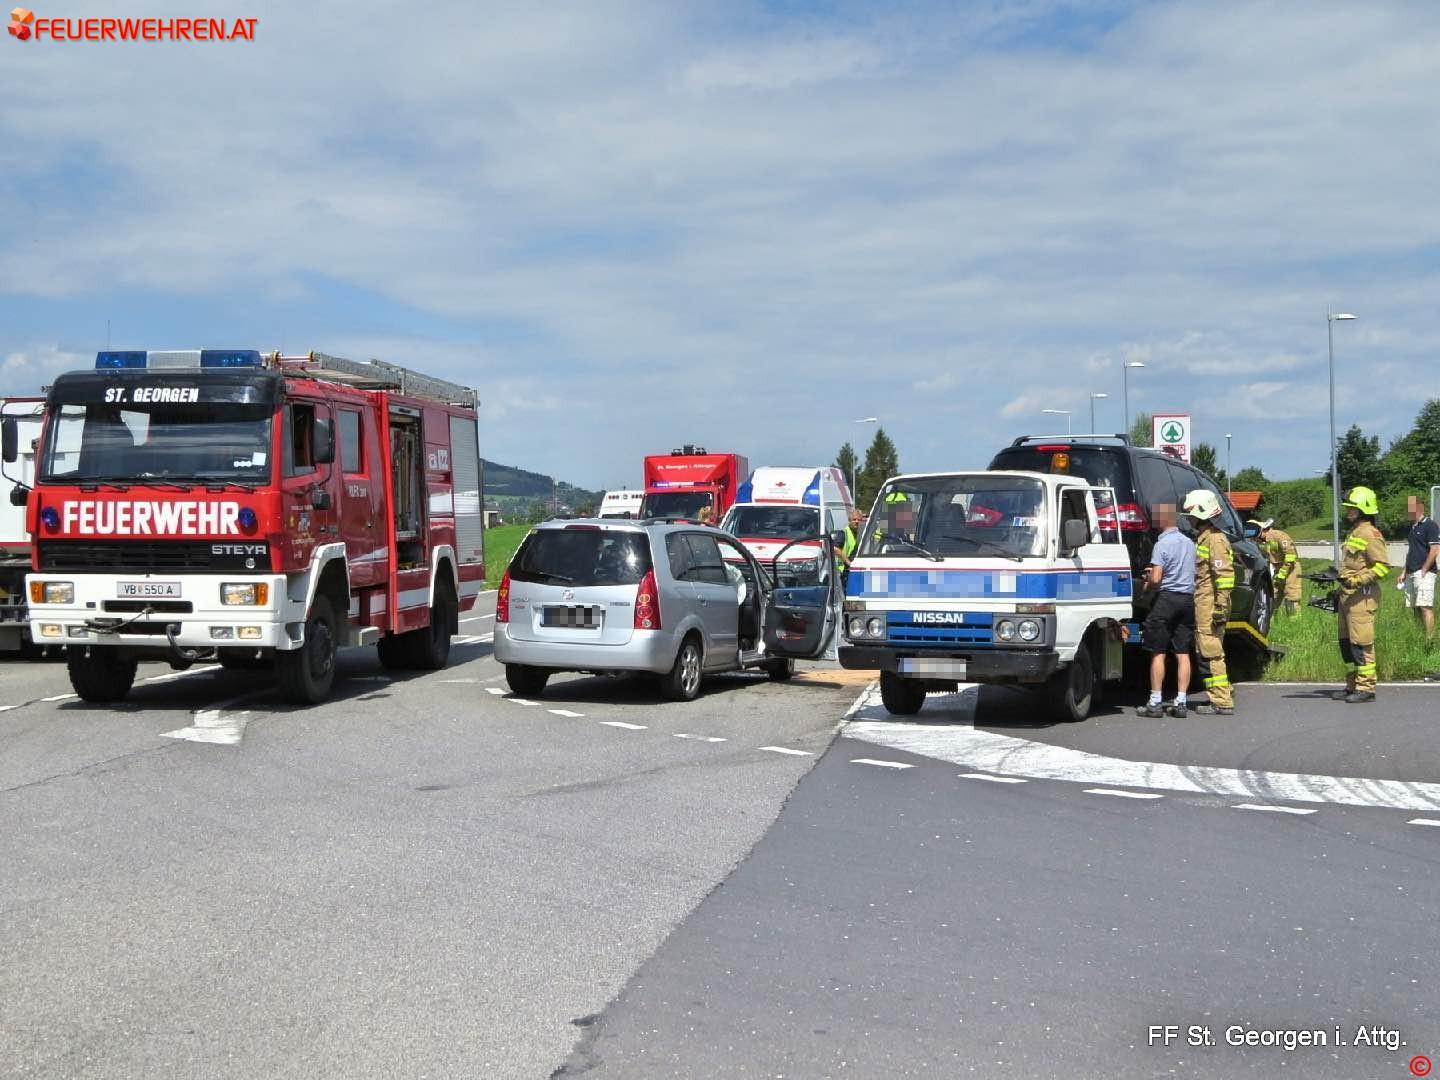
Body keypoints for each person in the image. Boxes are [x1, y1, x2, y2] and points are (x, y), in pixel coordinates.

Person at [1137, 501, 1195, 718]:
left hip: (1167, 599)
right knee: (1183, 652)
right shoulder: (1189, 543)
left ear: (1162, 520)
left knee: (1158, 651)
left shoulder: (1162, 544)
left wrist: (1147, 580)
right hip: (1188, 600)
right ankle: (1181, 702)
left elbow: (1157, 577)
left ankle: (1155, 702)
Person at [1333, 486, 1391, 703]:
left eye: (1351, 508)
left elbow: (1382, 567)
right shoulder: (1354, 532)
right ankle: (1352, 685)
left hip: (1362, 597)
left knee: (1361, 643)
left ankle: (1367, 688)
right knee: (1347, 644)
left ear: (1363, 509)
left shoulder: (1370, 533)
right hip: (1347, 596)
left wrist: (1356, 580)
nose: (1348, 511)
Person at [1184, 489, 1236, 716]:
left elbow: (1224, 577)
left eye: (1191, 514)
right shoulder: (1206, 537)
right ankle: (1223, 691)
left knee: (1210, 651)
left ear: (1201, 513)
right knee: (1209, 648)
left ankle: (1221, 700)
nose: (1189, 518)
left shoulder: (1215, 540)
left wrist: (1220, 607)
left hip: (1210, 602)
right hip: (1206, 600)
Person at [1399, 494, 1439, 648]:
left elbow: (1435, 549)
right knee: (1414, 607)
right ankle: (1419, 636)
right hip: (1411, 572)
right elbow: (1411, 551)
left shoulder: (1430, 525)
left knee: (1425, 606)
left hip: (1426, 573)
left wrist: (1424, 569)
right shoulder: (1413, 527)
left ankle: (1430, 641)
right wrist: (1404, 571)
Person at [1249, 518, 1301, 615]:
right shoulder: (1263, 541)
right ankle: (1270, 623)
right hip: (1278, 569)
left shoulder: (1278, 535)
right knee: (1273, 595)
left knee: (1291, 595)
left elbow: (1290, 555)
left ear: (1262, 529)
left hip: (1291, 569)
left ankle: (1293, 622)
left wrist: (1283, 572)